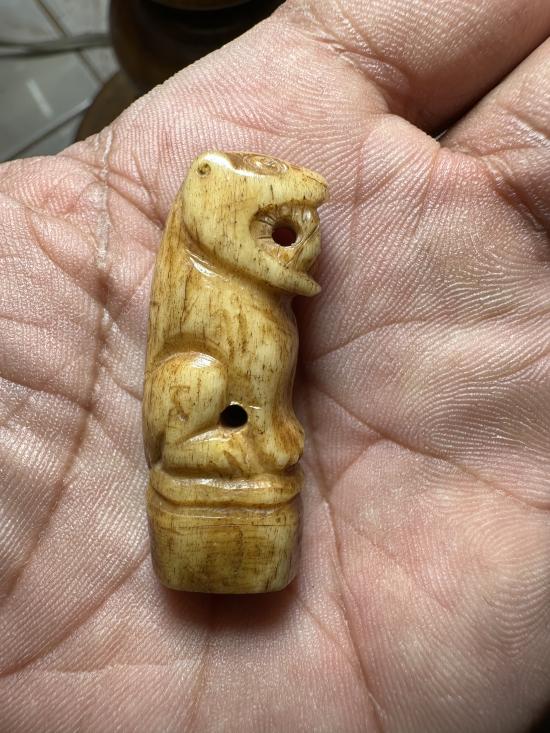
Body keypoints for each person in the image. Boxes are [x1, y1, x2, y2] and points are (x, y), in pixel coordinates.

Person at [1, 1, 549, 730]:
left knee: (263, 380)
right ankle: (203, 448)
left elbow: (262, 373)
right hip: (190, 453)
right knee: (201, 374)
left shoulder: (256, 294)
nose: (300, 243)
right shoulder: (204, 276)